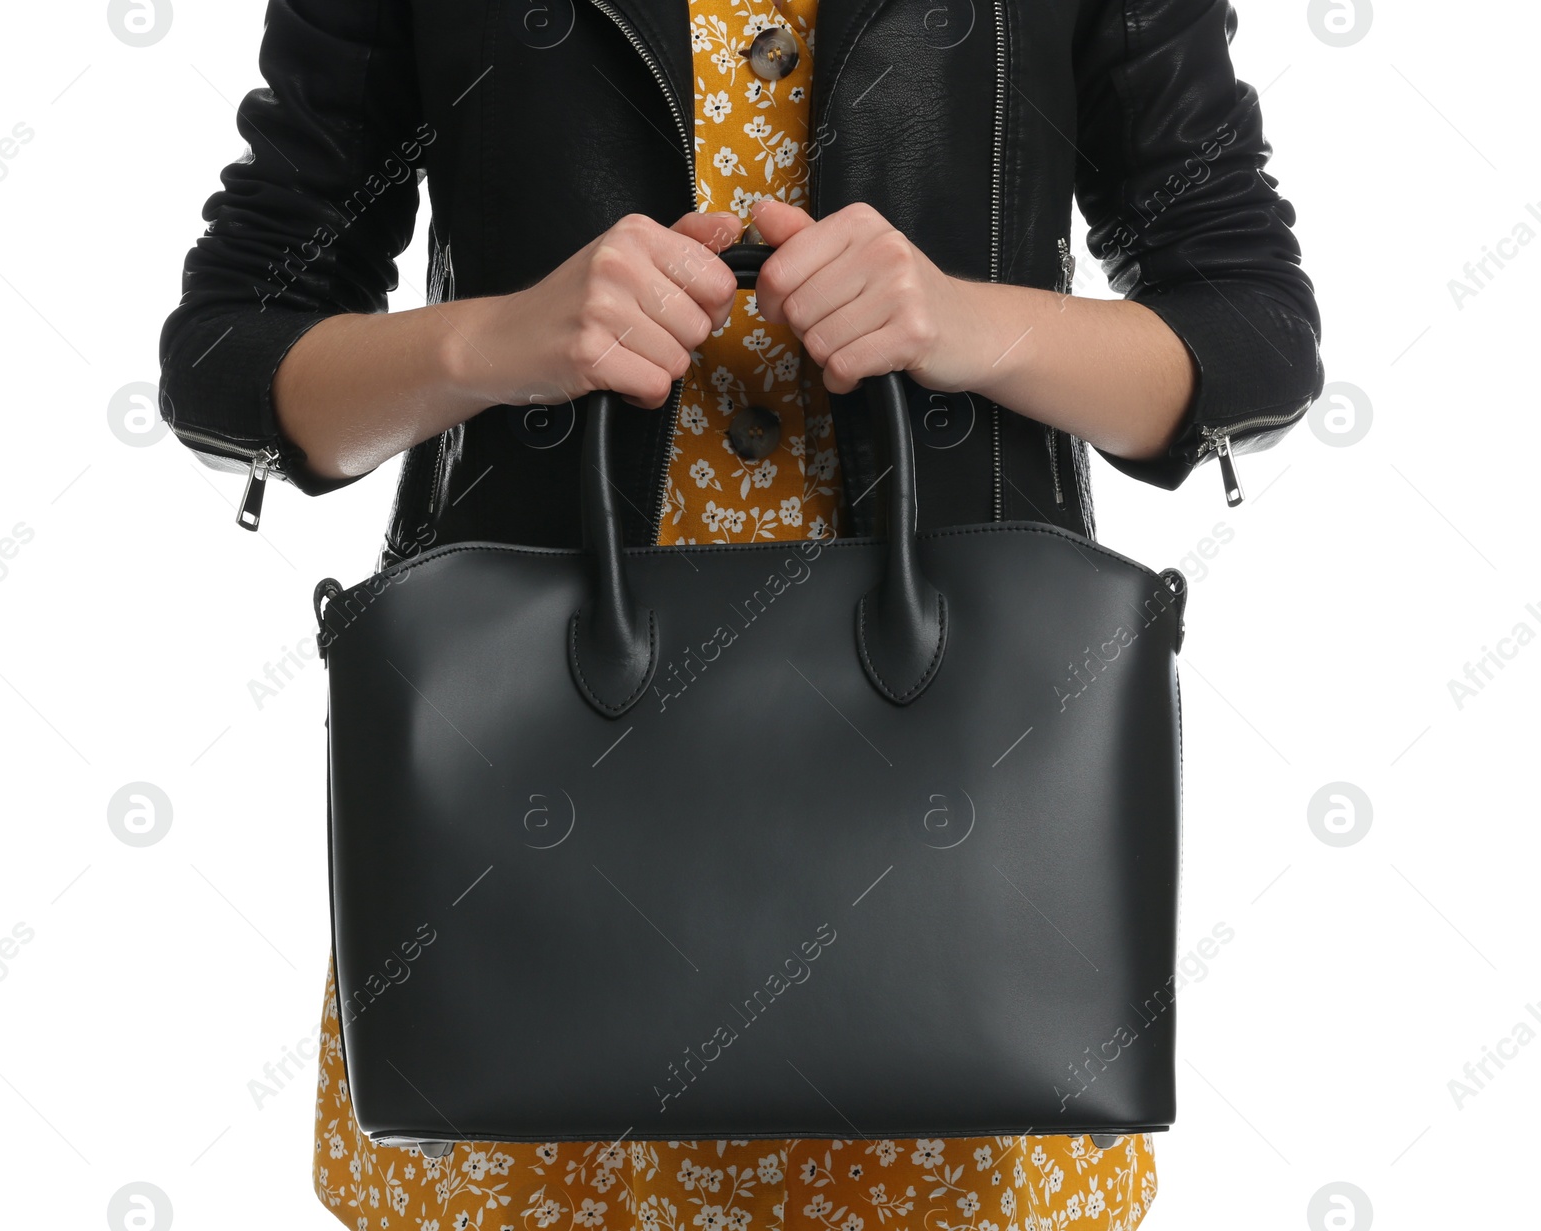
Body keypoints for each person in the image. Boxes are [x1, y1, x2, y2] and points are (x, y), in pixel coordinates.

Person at [158, 0, 1322, 1224]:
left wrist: (964, 322)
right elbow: (227, 361)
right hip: (530, 855)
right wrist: (492, 342)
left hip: (959, 867)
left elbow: (1251, 340)